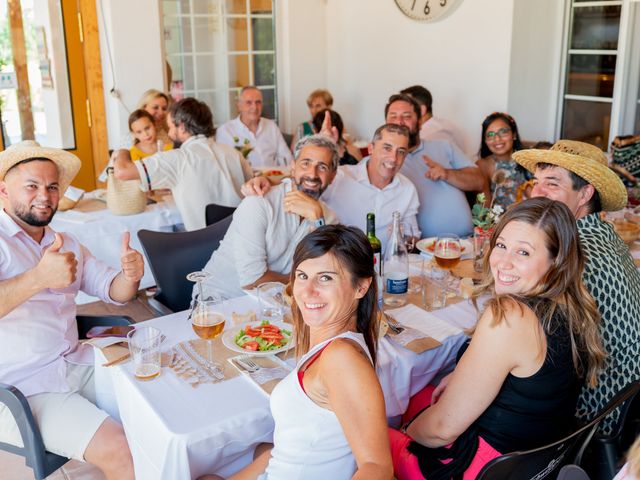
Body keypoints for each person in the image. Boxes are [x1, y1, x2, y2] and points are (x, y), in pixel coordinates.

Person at [389, 197, 605, 479]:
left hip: (484, 467)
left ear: (556, 261)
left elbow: (442, 428)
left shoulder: (511, 315)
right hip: (534, 459)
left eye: (524, 253)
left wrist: (406, 433)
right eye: (501, 245)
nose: (503, 261)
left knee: (367, 429)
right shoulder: (571, 302)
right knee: (414, 397)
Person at [0, 141, 145, 480]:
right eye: (32, 186)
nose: (45, 195)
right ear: (4, 190)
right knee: (123, 452)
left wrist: (130, 275)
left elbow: (114, 290)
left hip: (76, 363)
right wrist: (38, 278)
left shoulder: (65, 242)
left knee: (159, 405)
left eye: (52, 187)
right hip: (21, 390)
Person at [204, 225, 393, 480]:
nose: (307, 291)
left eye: (326, 278)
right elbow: (287, 449)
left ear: (361, 287)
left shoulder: (341, 358)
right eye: (302, 276)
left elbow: (376, 468)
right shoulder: (331, 345)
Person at [513, 139, 640, 434]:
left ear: (584, 194)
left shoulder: (570, 251)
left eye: (552, 184)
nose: (537, 192)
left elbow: (520, 324)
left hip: (596, 412)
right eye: (537, 181)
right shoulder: (604, 233)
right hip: (629, 400)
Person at [198, 135, 339, 300]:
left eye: (322, 167)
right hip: (220, 302)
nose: (312, 174)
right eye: (305, 163)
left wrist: (318, 221)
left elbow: (330, 271)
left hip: (276, 306)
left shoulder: (327, 218)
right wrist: (305, 280)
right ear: (293, 167)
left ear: (333, 175)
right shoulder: (259, 203)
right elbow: (252, 281)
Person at [240, 124, 420, 252]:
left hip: (386, 269)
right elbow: (305, 181)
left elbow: (412, 237)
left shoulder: (407, 189)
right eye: (387, 148)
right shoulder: (340, 176)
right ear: (371, 148)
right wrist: (265, 182)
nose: (393, 158)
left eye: (401, 152)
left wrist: (404, 238)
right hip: (342, 263)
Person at [113, 97, 253, 231]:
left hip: (204, 242)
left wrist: (123, 150)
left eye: (170, 127)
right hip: (241, 235)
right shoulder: (234, 154)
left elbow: (122, 171)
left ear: (182, 127)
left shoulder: (178, 158)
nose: (169, 132)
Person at [385, 93, 484, 238]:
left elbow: (479, 181)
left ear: (420, 123)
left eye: (407, 116)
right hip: (419, 250)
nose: (399, 122)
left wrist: (447, 174)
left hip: (465, 242)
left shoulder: (444, 146)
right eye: (393, 116)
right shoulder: (384, 161)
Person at [216, 86, 293, 168]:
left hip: (272, 178)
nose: (254, 107)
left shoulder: (271, 126)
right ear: (239, 106)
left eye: (258, 102)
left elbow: (287, 158)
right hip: (243, 180)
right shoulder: (225, 131)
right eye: (249, 102)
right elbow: (223, 166)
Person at [475, 112, 530, 209]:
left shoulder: (529, 159)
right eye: (490, 134)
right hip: (501, 222)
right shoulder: (483, 165)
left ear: (514, 134)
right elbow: (484, 208)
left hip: (531, 218)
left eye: (503, 131)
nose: (497, 138)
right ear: (485, 140)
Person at [400, 85, 466, 152]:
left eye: (404, 107)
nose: (400, 112)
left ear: (421, 110)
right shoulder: (445, 124)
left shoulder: (427, 136)